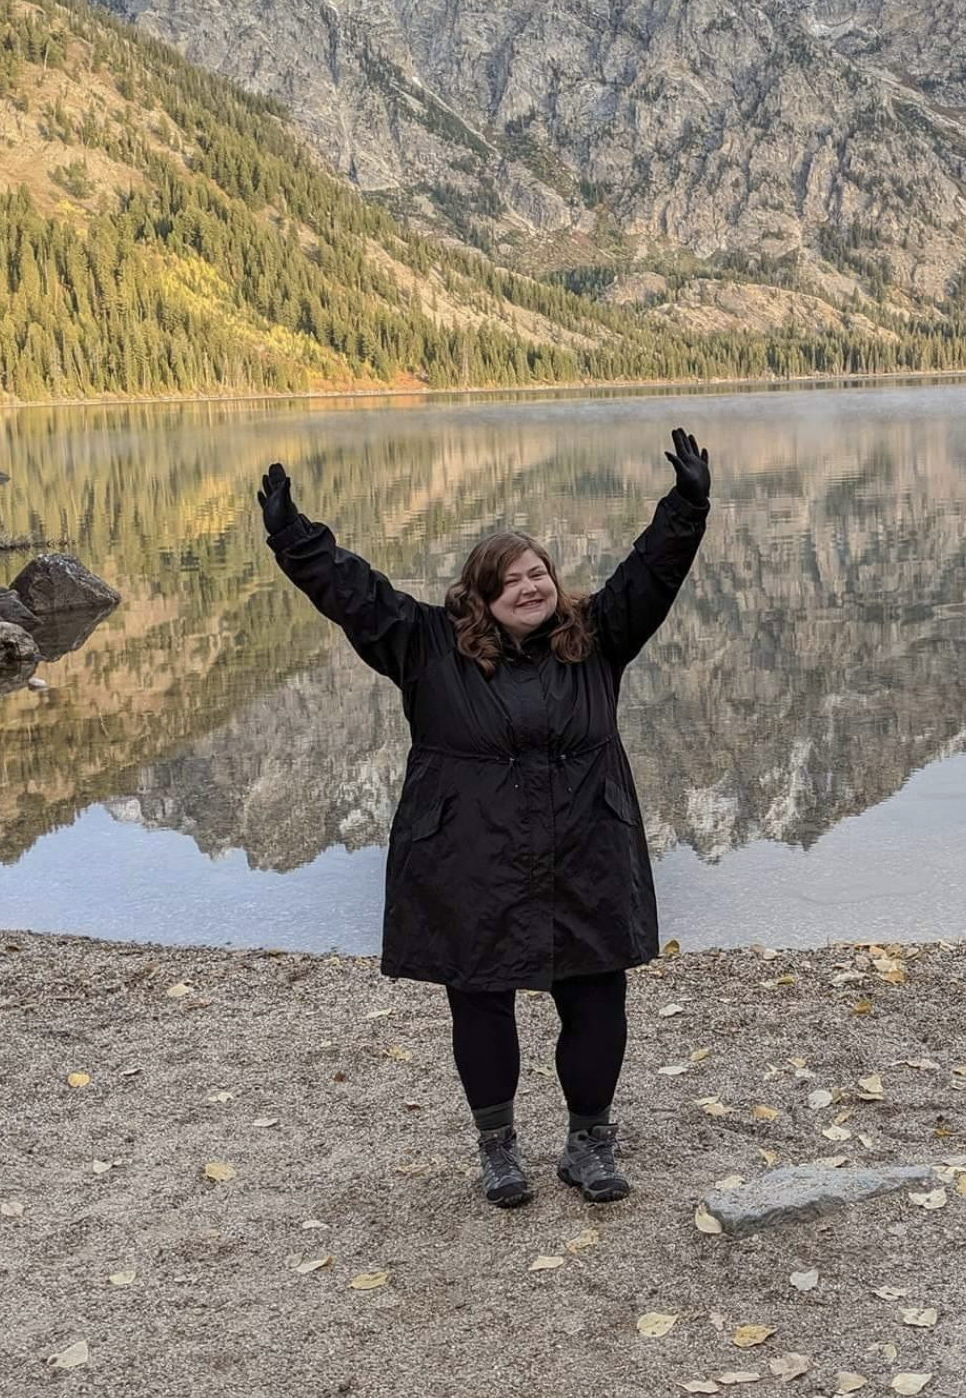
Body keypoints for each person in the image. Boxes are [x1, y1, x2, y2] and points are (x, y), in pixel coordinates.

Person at [259, 429, 711, 1208]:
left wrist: (688, 506)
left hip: (586, 847)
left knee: (597, 999)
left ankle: (589, 1141)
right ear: (479, 593)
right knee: (481, 1001)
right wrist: (294, 537)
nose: (531, 586)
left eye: (539, 572)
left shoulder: (598, 636)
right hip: (473, 856)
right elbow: (353, 592)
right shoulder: (426, 646)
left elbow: (654, 571)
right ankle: (498, 1147)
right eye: (512, 578)